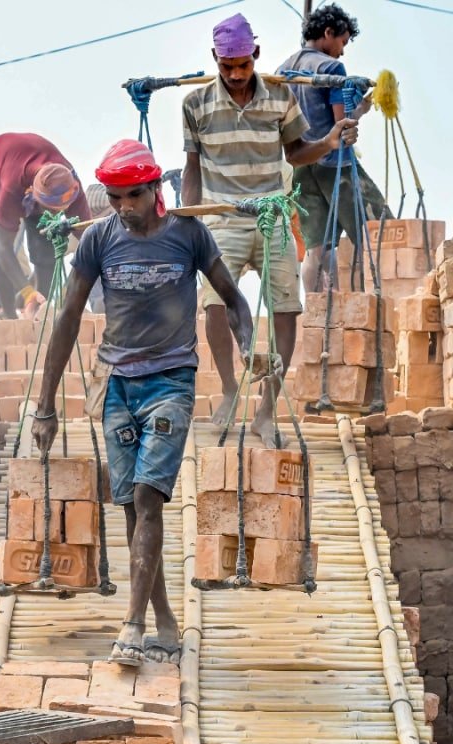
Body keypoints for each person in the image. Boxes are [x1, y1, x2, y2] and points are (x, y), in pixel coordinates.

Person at [32, 140, 253, 667]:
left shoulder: (189, 235)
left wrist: (248, 345)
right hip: (117, 384)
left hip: (171, 381)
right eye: (114, 198)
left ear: (156, 190)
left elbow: (232, 295)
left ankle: (131, 625)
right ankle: (165, 620)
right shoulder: (98, 241)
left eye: (133, 196)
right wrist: (45, 404)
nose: (124, 208)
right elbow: (66, 319)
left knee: (149, 499)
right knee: (131, 504)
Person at [183, 12, 358, 446]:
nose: (237, 75)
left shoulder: (280, 98)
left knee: (285, 306)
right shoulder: (195, 105)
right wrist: (189, 218)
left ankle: (266, 411)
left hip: (274, 214)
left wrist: (329, 142)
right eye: (227, 67)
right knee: (214, 305)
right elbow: (191, 169)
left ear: (255, 56)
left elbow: (297, 152)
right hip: (223, 216)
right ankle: (228, 388)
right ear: (215, 60)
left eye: (244, 65)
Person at [277, 3, 390, 293]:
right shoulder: (331, 67)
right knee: (379, 233)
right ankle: (383, 303)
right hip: (335, 165)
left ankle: (319, 318)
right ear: (328, 33)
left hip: (300, 166)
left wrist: (359, 107)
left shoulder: (282, 70)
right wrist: (359, 107)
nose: (342, 50)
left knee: (318, 247)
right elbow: (342, 125)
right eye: (342, 41)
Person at [0, 133, 92, 319]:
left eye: (60, 211)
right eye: (51, 210)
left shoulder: (69, 186)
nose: (54, 214)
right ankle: (10, 317)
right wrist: (27, 292)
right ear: (34, 197)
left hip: (29, 175)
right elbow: (4, 248)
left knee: (45, 249)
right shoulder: (12, 187)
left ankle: (40, 312)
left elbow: (90, 241)